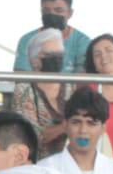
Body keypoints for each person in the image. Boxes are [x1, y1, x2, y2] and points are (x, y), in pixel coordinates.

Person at [36, 86, 113, 174]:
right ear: (65, 125)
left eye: (91, 123)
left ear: (103, 128)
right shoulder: (45, 169)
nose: (83, 130)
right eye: (76, 122)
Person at [10, 28, 73, 157]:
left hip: (68, 163)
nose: (57, 58)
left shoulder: (70, 86)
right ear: (35, 60)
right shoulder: (24, 89)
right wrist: (67, 126)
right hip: (36, 164)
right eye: (51, 54)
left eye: (60, 54)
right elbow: (30, 137)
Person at [14, 0, 90, 75]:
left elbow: (82, 79)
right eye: (46, 11)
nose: (52, 14)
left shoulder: (82, 42)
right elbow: (21, 77)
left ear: (70, 13)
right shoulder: (27, 40)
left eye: (58, 10)